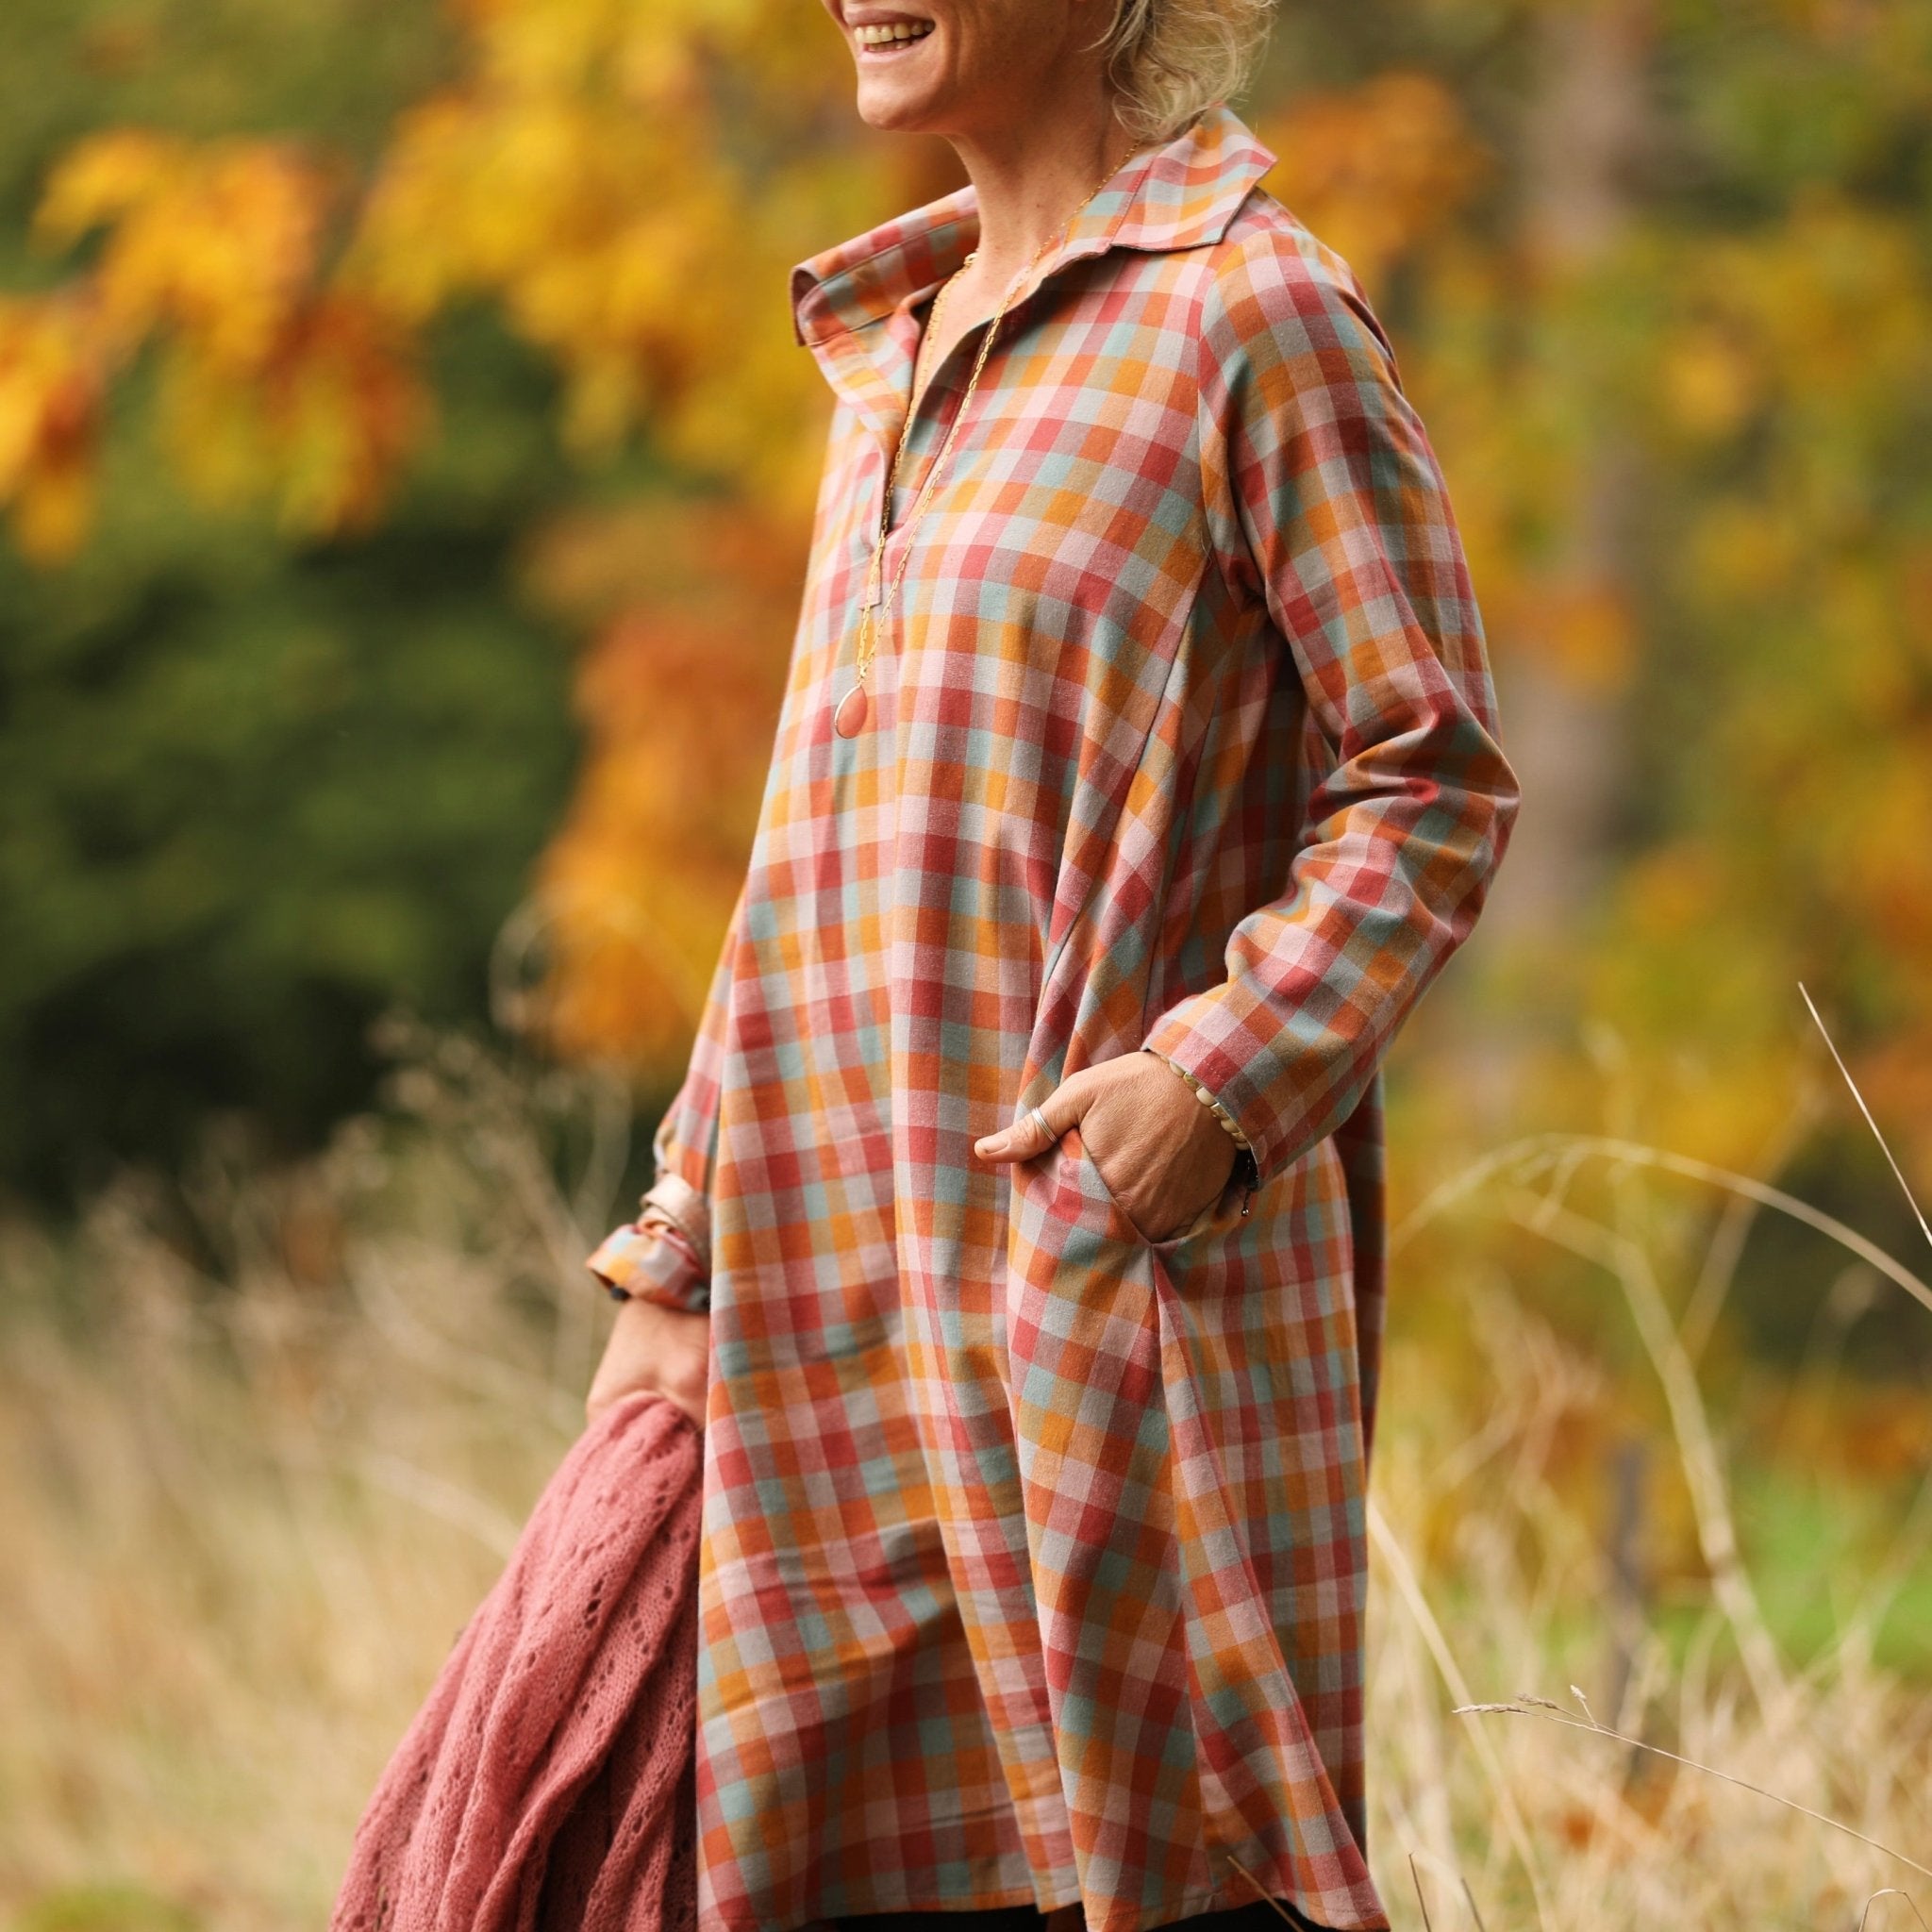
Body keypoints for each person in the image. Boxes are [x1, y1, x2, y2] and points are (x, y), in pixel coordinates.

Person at [583, 2, 1519, 1930]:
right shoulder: (887, 345)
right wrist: (683, 1247)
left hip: (1092, 1309)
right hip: (829, 1329)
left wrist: (1217, 1080)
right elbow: (804, 851)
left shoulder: (1249, 309)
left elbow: (1428, 776)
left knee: (1163, 1871)